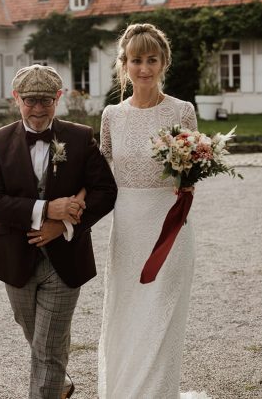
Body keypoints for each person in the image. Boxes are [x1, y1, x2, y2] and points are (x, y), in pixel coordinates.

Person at [0, 64, 117, 399]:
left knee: (48, 347)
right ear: (16, 99)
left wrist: (64, 224)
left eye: (46, 100)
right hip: (14, 259)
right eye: (30, 101)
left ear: (58, 98)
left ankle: (48, 387)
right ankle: (62, 385)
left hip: (66, 259)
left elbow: (105, 191)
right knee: (36, 336)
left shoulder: (80, 137)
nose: (38, 109)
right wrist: (45, 210)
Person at [97, 23, 210, 398]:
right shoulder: (111, 115)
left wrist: (187, 179)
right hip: (127, 228)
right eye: (135, 60)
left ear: (164, 62)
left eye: (151, 59)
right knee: (127, 313)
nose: (143, 68)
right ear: (123, 64)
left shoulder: (183, 110)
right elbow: (102, 170)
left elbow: (193, 167)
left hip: (170, 226)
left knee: (161, 314)